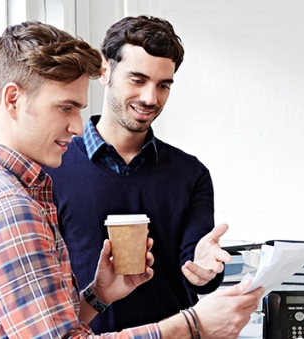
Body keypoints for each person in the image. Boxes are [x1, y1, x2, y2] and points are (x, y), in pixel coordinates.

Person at [0, 21, 264, 339]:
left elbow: (50, 327)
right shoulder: (9, 207)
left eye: (164, 84)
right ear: (13, 99)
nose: (74, 126)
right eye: (66, 108)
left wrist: (99, 294)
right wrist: (196, 325)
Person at [43, 15, 234, 332]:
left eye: (163, 85)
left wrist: (205, 268)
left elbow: (197, 262)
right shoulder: (54, 167)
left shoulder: (191, 174)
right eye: (137, 79)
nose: (150, 98)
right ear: (105, 71)